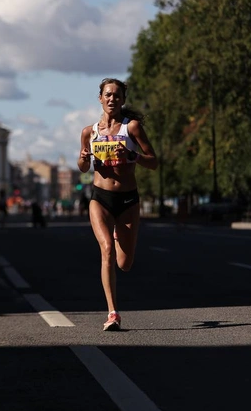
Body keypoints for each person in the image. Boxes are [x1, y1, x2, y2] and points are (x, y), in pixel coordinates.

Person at [78, 78, 158, 331]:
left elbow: (153, 162)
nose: (112, 99)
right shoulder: (89, 132)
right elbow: (83, 167)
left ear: (123, 99)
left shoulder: (131, 128)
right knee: (107, 251)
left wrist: (132, 155)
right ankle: (112, 313)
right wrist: (82, 158)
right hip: (100, 199)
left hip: (127, 199)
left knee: (125, 263)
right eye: (107, 95)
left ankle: (117, 233)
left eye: (117, 95)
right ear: (100, 98)